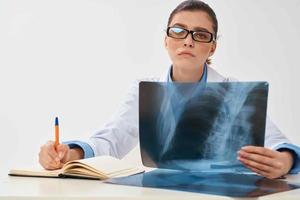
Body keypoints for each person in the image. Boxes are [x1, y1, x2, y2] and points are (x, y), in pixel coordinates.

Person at [39, 0, 300, 179]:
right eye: (178, 31)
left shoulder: (235, 92)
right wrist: (69, 154)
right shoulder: (145, 91)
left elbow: (277, 143)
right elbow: (111, 139)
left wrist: (285, 161)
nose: (187, 40)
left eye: (200, 34)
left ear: (212, 47)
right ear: (166, 40)